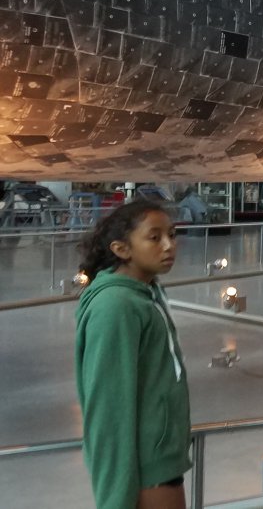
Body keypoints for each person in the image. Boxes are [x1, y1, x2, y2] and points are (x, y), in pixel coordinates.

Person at [74, 200, 191, 509]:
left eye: (172, 234)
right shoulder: (116, 306)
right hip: (146, 473)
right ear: (122, 249)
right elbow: (108, 410)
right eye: (154, 237)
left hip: (161, 462)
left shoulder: (147, 292)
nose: (169, 245)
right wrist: (117, 497)